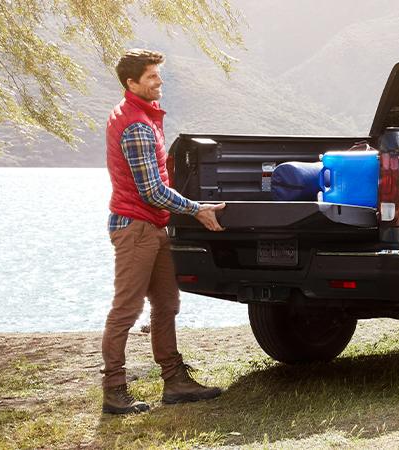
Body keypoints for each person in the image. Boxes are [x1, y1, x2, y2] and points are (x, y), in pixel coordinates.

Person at [101, 49, 226, 415]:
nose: (160, 81)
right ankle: (114, 390)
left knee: (166, 304)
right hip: (135, 228)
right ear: (132, 83)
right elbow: (151, 190)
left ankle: (174, 382)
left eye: (159, 75)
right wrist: (196, 209)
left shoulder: (141, 115)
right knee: (126, 310)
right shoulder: (135, 124)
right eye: (152, 76)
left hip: (152, 225)